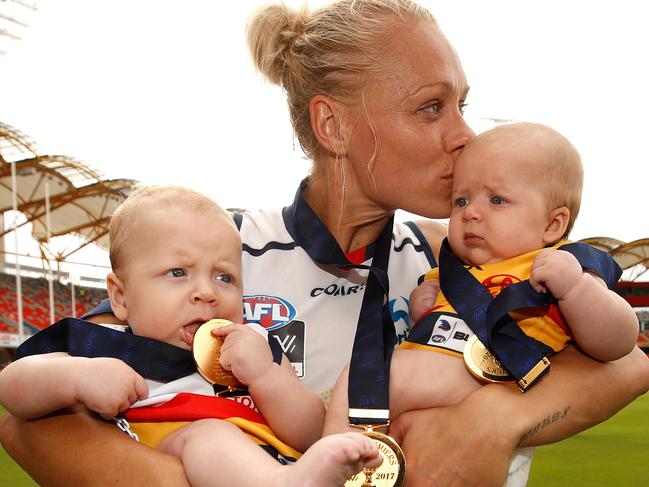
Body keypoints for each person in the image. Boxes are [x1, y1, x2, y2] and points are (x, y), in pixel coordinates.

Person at [1, 2, 648, 486]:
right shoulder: (219, 258)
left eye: (461, 105)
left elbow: (630, 359)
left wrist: (495, 420)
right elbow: (31, 408)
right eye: (431, 107)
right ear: (332, 124)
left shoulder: (471, 252)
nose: (461, 134)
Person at [0, 185, 381, 487]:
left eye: (224, 277)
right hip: (166, 449)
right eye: (178, 273)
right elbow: (12, 386)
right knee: (208, 437)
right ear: (120, 296)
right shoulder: (105, 344)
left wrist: (266, 376)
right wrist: (76, 378)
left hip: (273, 458)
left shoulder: (252, 343)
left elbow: (311, 431)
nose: (207, 292)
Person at [323, 122, 640, 447]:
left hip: (479, 376)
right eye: (460, 201)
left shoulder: (562, 264)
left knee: (358, 383)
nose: (471, 212)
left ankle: (328, 466)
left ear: (552, 223)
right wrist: (423, 308)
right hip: (432, 378)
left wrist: (576, 289)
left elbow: (619, 341)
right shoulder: (449, 272)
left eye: (497, 200)